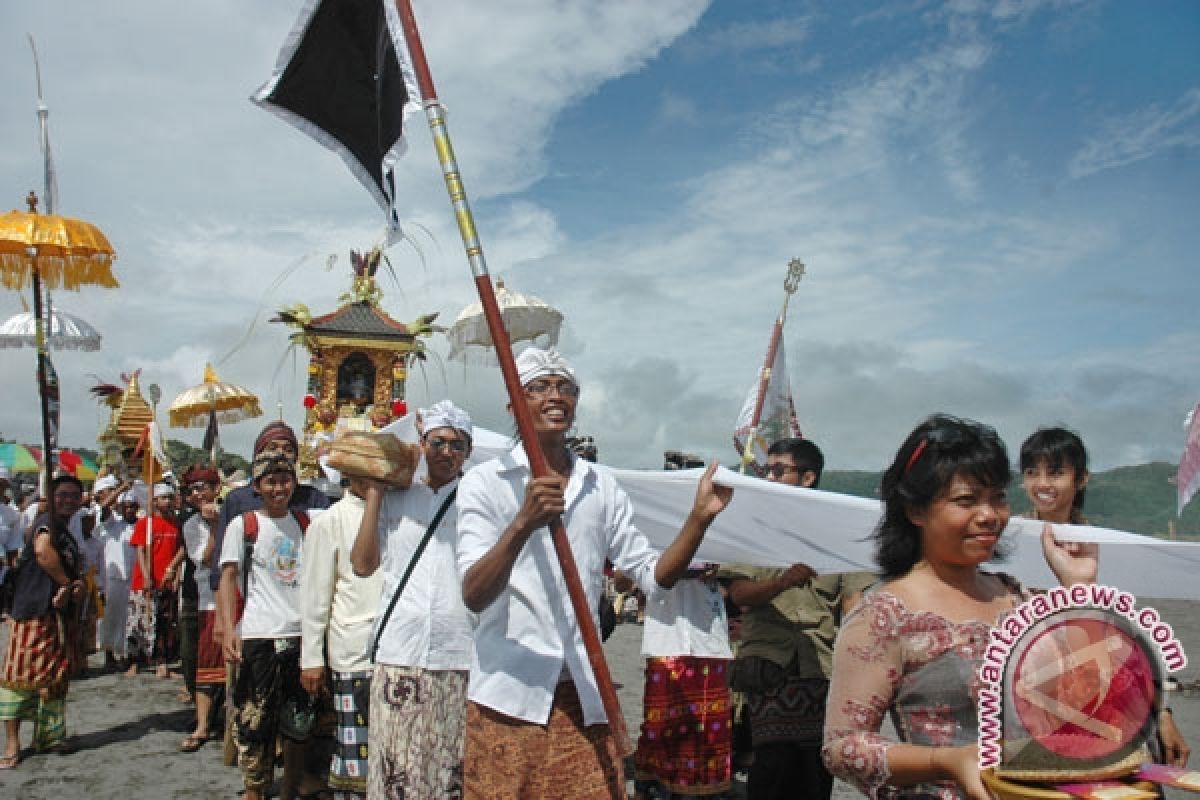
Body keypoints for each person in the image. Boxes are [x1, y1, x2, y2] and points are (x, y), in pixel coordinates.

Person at [456, 347, 732, 799]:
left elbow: (650, 574)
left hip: (583, 690)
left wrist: (699, 519)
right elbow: (473, 593)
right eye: (539, 386)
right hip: (507, 692)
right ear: (514, 405)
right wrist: (522, 524)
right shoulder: (486, 482)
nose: (555, 395)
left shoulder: (599, 485)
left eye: (565, 387)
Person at [822, 414, 1099, 800]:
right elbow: (842, 747)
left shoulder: (1019, 599)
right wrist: (946, 761)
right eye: (966, 500)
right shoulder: (883, 616)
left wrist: (1078, 589)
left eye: (997, 497)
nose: (989, 516)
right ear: (915, 511)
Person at [1020, 426, 1190, 769]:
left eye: (1055, 473)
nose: (1042, 484)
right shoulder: (1006, 541)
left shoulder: (1102, 548)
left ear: (1082, 479)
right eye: (1031, 472)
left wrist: (1164, 714)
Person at [720, 438, 875, 800]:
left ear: (807, 478)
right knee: (770, 767)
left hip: (820, 668)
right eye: (766, 469)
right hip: (768, 664)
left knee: (815, 772)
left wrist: (860, 666)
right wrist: (781, 582)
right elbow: (740, 594)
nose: (769, 477)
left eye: (778, 470)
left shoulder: (839, 535)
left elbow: (853, 604)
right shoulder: (753, 528)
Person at [350, 400, 474, 799]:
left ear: (468, 453)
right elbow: (363, 565)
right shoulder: (399, 498)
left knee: (448, 767)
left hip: (459, 652)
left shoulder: (478, 502)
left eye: (457, 446)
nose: (446, 453)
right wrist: (375, 495)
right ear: (422, 445)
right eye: (438, 443)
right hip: (399, 650)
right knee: (395, 766)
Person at [218, 452, 329, 800]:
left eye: (285, 480)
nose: (279, 488)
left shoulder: (311, 521)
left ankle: (291, 785)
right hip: (260, 633)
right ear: (257, 486)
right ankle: (255, 787)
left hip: (303, 635)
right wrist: (225, 627)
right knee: (255, 720)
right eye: (271, 481)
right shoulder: (244, 524)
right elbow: (228, 575)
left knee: (300, 719)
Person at [302, 466, 383, 800]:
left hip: (395, 651)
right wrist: (311, 658)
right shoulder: (329, 522)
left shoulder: (396, 513)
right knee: (354, 752)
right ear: (349, 475)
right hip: (353, 650)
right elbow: (314, 595)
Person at [0, 474, 87, 768]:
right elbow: (42, 553)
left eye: (74, 496)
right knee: (20, 678)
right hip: (34, 610)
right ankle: (13, 745)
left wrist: (74, 586)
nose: (68, 500)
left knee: (55, 677)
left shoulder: (65, 528)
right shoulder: (45, 523)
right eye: (62, 495)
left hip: (57, 615)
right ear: (50, 496)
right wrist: (67, 582)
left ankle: (49, 736)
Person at [633, 560, 735, 799]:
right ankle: (657, 788)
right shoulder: (651, 528)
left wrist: (720, 572)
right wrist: (675, 569)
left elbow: (733, 585)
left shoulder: (720, 530)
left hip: (710, 640)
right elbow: (622, 580)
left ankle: (705, 790)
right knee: (660, 728)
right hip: (666, 639)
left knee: (710, 730)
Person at [209, 420, 330, 597]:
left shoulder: (313, 499)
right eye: (272, 448)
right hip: (251, 601)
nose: (280, 453)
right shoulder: (238, 500)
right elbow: (224, 562)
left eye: (288, 449)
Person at [179, 465, 223, 752]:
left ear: (216, 488)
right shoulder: (191, 525)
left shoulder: (235, 513)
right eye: (192, 489)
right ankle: (203, 724)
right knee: (205, 665)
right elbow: (206, 559)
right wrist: (216, 527)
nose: (198, 494)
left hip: (239, 597)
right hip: (208, 598)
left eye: (203, 487)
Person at [126, 482, 184, 678]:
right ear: (155, 501)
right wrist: (146, 576)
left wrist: (175, 575)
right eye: (163, 498)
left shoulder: (176, 524)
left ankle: (162, 662)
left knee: (165, 623)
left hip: (166, 579)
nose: (167, 502)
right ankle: (134, 661)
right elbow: (140, 551)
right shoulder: (145, 523)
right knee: (138, 622)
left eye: (170, 498)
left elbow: (180, 550)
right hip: (144, 580)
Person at [98, 490, 139, 671]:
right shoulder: (112, 525)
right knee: (110, 617)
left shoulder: (142, 526)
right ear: (121, 508)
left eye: (133, 506)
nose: (129, 510)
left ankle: (126, 655)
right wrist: (122, 487)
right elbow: (104, 506)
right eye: (126, 506)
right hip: (114, 578)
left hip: (134, 578)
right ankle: (109, 655)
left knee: (128, 619)